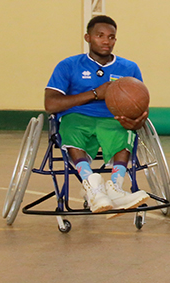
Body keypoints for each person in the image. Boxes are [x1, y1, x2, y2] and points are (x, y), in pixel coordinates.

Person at [44, 15, 150, 215]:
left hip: (114, 118)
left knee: (124, 132)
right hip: (77, 116)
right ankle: (91, 184)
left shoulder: (129, 68)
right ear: (88, 38)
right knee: (71, 129)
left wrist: (137, 120)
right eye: (100, 35)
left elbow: (142, 103)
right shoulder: (68, 65)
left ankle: (116, 188)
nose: (106, 41)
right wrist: (95, 94)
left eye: (111, 37)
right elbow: (50, 104)